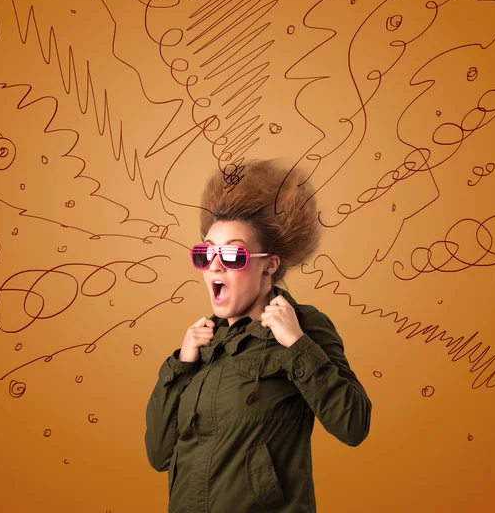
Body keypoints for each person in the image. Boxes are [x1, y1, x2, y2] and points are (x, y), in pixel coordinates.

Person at [145, 159, 372, 512]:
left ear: (270, 264)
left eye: (234, 253)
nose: (215, 265)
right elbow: (159, 456)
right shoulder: (205, 344)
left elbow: (354, 425)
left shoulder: (303, 326)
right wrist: (180, 365)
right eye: (206, 253)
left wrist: (297, 345)